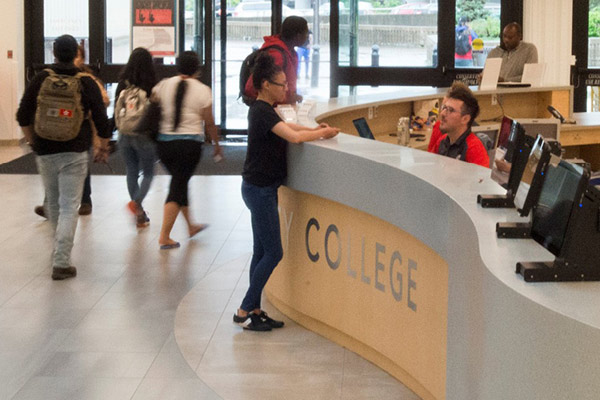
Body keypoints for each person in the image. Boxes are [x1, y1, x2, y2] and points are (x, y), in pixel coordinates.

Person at [233, 53, 339, 331]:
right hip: (260, 190)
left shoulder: (265, 109)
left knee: (260, 251)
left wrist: (313, 129)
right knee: (274, 253)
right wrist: (321, 134)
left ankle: (255, 312)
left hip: (259, 188)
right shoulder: (260, 110)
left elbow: (289, 127)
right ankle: (245, 306)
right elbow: (293, 137)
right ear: (266, 84)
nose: (286, 89)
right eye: (281, 84)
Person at [16, 34, 110, 280]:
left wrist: (32, 140)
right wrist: (103, 145)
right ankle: (61, 260)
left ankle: (58, 251)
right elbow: (101, 118)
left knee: (54, 204)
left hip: (45, 149)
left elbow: (22, 114)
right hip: (75, 150)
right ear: (75, 55)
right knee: (70, 206)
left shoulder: (41, 78)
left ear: (54, 53)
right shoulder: (86, 81)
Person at [152, 51, 223, 249]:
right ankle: (164, 236)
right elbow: (209, 123)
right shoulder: (202, 90)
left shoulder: (164, 84)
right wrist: (216, 145)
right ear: (197, 69)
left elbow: (153, 105)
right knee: (177, 186)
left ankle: (191, 226)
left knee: (180, 181)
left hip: (163, 145)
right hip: (189, 146)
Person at [33, 43, 109, 218]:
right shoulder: (51, 77)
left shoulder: (87, 79)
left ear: (81, 58)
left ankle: (85, 201)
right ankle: (50, 203)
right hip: (54, 128)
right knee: (55, 170)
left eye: (77, 57)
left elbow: (103, 101)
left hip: (82, 130)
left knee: (81, 168)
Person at [113, 47, 158, 227]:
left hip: (124, 134)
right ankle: (136, 203)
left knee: (131, 171)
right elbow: (155, 112)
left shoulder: (122, 84)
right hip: (143, 135)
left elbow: (116, 110)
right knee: (148, 172)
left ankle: (139, 213)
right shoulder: (151, 85)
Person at [244, 16, 309, 104]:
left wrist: (291, 96)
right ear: (298, 36)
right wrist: (285, 99)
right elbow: (252, 88)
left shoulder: (290, 52)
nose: (307, 37)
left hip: (280, 109)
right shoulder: (276, 55)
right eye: (306, 33)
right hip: (271, 111)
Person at [429, 82, 489, 168]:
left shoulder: (475, 150)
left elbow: (482, 180)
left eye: (450, 110)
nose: (442, 113)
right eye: (444, 108)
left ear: (465, 119)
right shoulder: (442, 141)